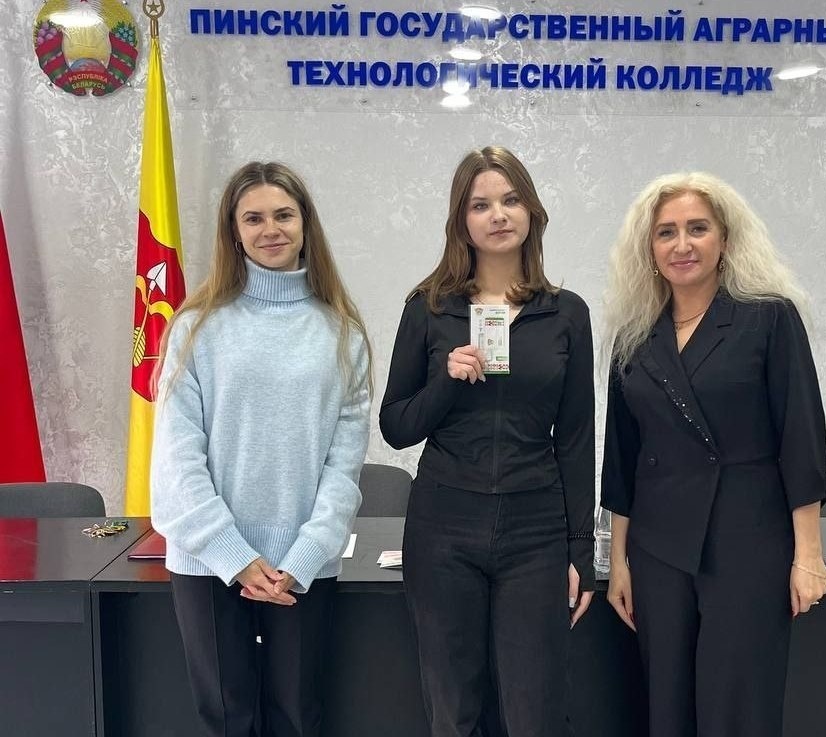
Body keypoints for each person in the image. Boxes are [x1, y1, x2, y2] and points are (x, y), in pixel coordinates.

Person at [601, 172, 826, 737]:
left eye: (697, 229)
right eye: (666, 232)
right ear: (649, 249)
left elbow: (801, 438)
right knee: (666, 708)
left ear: (724, 239)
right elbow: (622, 460)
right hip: (658, 549)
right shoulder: (635, 335)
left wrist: (808, 555)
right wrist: (619, 562)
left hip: (747, 539)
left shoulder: (768, 317)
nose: (682, 245)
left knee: (738, 708)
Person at [379, 146, 595, 737]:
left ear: (532, 212)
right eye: (481, 205)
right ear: (462, 221)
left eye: (510, 199)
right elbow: (396, 427)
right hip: (443, 528)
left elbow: (577, 439)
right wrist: (446, 382)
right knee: (454, 710)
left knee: (535, 711)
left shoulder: (566, 314)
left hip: (535, 530)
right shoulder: (428, 309)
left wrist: (580, 549)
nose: (498, 214)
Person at [150, 161, 371, 737]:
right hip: (208, 559)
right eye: (253, 218)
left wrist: (303, 557)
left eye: (283, 215)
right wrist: (234, 555)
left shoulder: (342, 332)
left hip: (304, 563)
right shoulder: (195, 326)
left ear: (305, 224)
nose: (270, 229)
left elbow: (344, 466)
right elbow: (177, 457)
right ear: (233, 230)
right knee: (228, 717)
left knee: (299, 715)